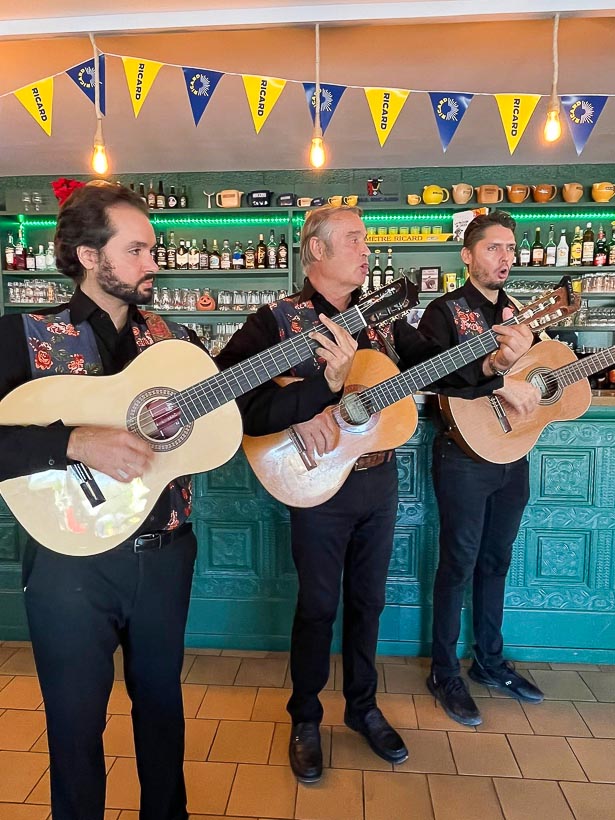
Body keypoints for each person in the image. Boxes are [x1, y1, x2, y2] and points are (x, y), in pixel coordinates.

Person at [215, 204, 529, 783]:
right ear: (315, 250)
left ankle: (362, 706)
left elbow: (437, 368)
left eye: (365, 240)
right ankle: (305, 717)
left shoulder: (379, 320)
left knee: (369, 603)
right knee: (317, 606)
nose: (366, 248)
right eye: (354, 239)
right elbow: (230, 400)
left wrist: (491, 360)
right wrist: (304, 406)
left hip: (378, 480)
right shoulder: (274, 321)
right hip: (316, 483)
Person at [0, 182, 204, 820]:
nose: (155, 262)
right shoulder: (23, 335)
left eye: (154, 249)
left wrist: (323, 381)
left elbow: (231, 417)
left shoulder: (177, 342)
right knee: (75, 723)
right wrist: (71, 442)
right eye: (137, 250)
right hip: (68, 566)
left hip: (165, 551)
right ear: (90, 257)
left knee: (163, 716)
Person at [418, 210, 545, 727]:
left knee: (497, 560)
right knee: (458, 563)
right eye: (494, 248)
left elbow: (534, 377)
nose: (505, 258)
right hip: (463, 456)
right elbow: (431, 382)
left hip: (513, 454)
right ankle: (444, 670)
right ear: (467, 255)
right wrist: (491, 374)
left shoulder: (518, 313)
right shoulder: (443, 312)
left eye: (510, 249)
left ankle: (489, 661)